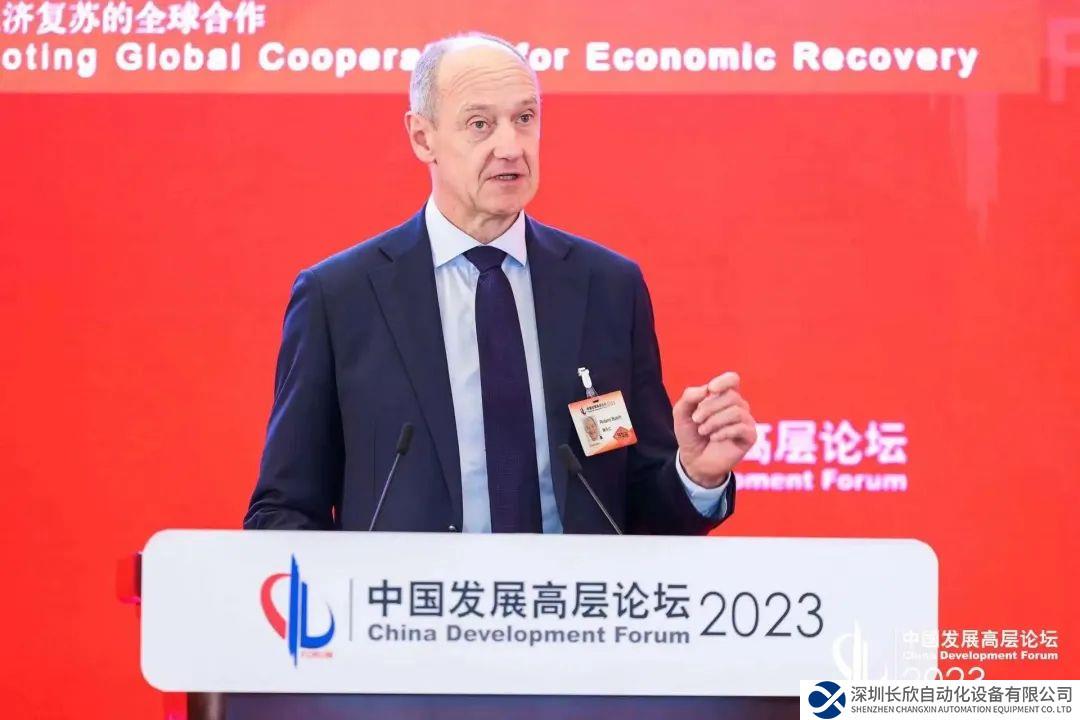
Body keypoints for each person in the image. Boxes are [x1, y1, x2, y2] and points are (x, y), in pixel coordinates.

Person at [244, 33, 757, 535]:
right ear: (423, 137)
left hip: (573, 591)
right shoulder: (341, 297)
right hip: (410, 594)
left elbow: (635, 513)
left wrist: (695, 475)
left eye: (524, 118)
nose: (510, 147)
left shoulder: (607, 287)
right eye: (480, 124)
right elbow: (284, 508)